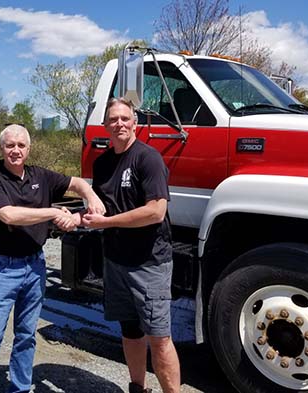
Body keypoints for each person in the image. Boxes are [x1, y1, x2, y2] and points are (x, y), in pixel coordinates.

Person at [0, 124, 105, 393]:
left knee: (27, 336)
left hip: (34, 266)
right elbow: (9, 215)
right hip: (2, 269)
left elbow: (74, 182)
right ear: (2, 148)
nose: (15, 151)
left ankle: (19, 387)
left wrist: (90, 194)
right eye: (10, 145)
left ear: (29, 149)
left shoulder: (40, 175)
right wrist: (53, 213)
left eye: (21, 145)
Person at [80, 98, 181, 393]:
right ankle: (138, 388)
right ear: (106, 125)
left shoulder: (148, 158)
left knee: (159, 338)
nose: (119, 124)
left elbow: (155, 212)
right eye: (113, 119)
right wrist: (83, 216)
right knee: (130, 331)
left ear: (135, 123)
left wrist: (107, 223)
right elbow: (102, 207)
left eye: (125, 118)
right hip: (115, 262)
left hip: (149, 264)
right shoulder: (102, 164)